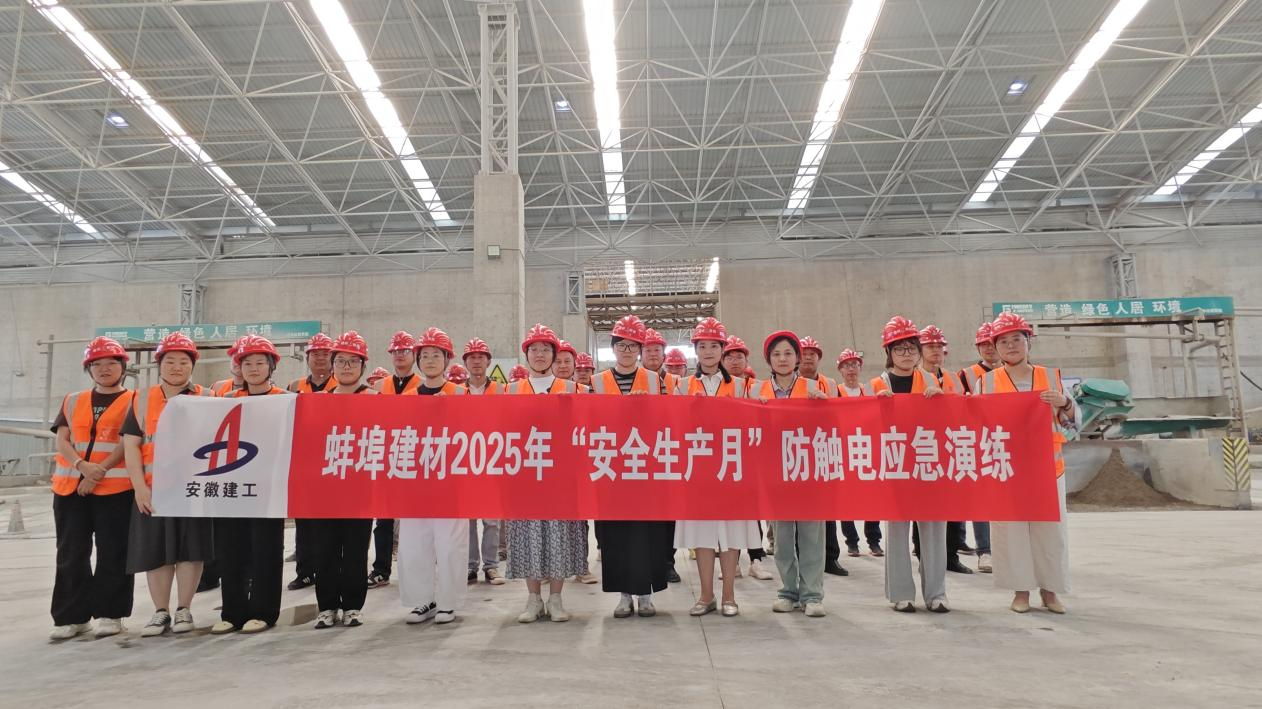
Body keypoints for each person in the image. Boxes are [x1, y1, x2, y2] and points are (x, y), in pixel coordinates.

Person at [979, 312, 1076, 615]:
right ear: (995, 347)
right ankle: (1020, 591)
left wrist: (1065, 403)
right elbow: (975, 422)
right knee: (1011, 531)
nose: (1011, 346)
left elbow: (1073, 420)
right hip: (1007, 468)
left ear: (1028, 342)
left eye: (1016, 339)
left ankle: (1050, 591)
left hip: (1048, 469)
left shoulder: (1051, 377)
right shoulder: (987, 382)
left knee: (1050, 532)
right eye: (1003, 342)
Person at [123, 333, 214, 637]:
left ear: (192, 366)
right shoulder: (141, 399)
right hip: (154, 490)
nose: (177, 367)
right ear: (159, 364)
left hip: (194, 490)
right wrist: (139, 488)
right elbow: (131, 446)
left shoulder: (208, 396)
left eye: (183, 362)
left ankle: (184, 609)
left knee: (191, 551)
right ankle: (160, 611)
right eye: (170, 361)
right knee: (157, 553)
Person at [48, 336, 137, 640]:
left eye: (111, 363)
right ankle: (71, 617)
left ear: (123, 367)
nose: (104, 369)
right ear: (89, 369)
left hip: (115, 490)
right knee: (71, 552)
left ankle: (111, 614)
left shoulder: (134, 400)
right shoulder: (73, 400)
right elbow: (62, 439)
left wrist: (98, 471)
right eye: (97, 364)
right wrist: (81, 466)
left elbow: (128, 442)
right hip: (69, 489)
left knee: (114, 551)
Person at [673, 318, 758, 617]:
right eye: (702, 346)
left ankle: (729, 596)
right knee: (703, 535)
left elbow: (754, 425)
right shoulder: (682, 385)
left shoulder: (742, 386)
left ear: (723, 350)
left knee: (732, 534)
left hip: (732, 469)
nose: (708, 351)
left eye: (714, 346)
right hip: (698, 469)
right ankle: (706, 595)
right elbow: (672, 426)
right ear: (695, 350)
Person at [592, 315, 674, 618]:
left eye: (632, 346)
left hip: (645, 467)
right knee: (616, 533)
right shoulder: (597, 382)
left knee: (646, 532)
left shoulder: (654, 381)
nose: (627, 351)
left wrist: (646, 409)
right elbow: (590, 421)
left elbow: (666, 420)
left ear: (640, 350)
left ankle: (646, 594)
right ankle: (624, 595)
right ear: (613, 348)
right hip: (611, 468)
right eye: (621, 345)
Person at [506, 324, 589, 623]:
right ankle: (533, 599)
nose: (539, 355)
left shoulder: (574, 389)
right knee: (527, 536)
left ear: (554, 355)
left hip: (561, 478)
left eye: (545, 350)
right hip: (525, 476)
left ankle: (555, 598)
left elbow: (589, 427)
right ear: (526, 354)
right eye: (534, 350)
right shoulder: (510, 390)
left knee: (559, 536)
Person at [872, 317, 951, 613]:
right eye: (899, 348)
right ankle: (901, 593)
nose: (906, 354)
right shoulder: (877, 385)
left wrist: (943, 401)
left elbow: (954, 423)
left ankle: (937, 593)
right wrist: (876, 407)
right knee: (896, 532)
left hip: (928, 465)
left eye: (911, 348)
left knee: (934, 531)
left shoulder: (934, 381)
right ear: (889, 352)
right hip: (895, 466)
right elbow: (861, 428)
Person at [213, 335, 289, 634]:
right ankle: (232, 612)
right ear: (239, 368)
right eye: (248, 363)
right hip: (233, 487)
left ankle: (263, 611)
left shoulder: (286, 399)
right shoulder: (227, 400)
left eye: (260, 363)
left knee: (266, 550)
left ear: (271, 367)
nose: (254, 369)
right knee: (231, 550)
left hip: (269, 487)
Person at [756, 330, 830, 617]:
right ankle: (788, 591)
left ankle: (812, 595)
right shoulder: (758, 391)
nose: (783, 359)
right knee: (783, 539)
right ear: (769, 360)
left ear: (798, 358)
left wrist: (823, 405)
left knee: (812, 536)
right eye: (776, 354)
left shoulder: (814, 387)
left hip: (807, 471)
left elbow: (831, 427)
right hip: (775, 474)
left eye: (788, 353)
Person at [399, 328, 469, 626]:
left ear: (447, 360)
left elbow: (473, 432)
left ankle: (448, 602)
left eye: (436, 355)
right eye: (424, 355)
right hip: (416, 482)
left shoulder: (461, 394)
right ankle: (422, 600)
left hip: (451, 482)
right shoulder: (407, 398)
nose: (429, 360)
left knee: (450, 544)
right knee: (414, 543)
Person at [311, 331, 377, 629]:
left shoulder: (376, 400)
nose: (346, 367)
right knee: (324, 549)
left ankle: (352, 606)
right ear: (332, 365)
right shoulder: (316, 402)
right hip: (324, 488)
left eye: (353, 361)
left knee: (355, 550)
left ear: (362, 365)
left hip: (360, 488)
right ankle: (326, 606)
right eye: (341, 361)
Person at [917, 325, 974, 576]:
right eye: (930, 346)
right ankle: (923, 555)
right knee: (922, 509)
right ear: (920, 350)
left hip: (951, 449)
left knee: (953, 508)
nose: (936, 350)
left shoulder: (953, 378)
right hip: (923, 450)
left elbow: (963, 410)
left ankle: (951, 556)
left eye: (939, 346)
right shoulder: (914, 377)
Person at [286, 332, 337, 592]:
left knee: (330, 522)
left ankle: (331, 570)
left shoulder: (342, 385)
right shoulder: (294, 386)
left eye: (325, 354)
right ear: (307, 358)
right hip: (303, 463)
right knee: (304, 522)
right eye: (315, 354)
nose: (320, 358)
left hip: (332, 460)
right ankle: (305, 572)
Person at [719, 335, 773, 579]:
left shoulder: (759, 387)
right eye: (729, 357)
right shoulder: (718, 385)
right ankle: (733, 563)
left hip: (752, 455)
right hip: (726, 457)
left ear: (746, 360)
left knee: (752, 513)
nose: (734, 361)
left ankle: (756, 559)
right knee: (729, 512)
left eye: (739, 356)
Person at [460, 338, 505, 586]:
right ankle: (470, 566)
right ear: (465, 362)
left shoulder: (502, 390)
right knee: (467, 520)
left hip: (492, 461)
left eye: (481, 357)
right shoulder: (456, 392)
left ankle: (491, 566)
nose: (476, 361)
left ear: (488, 362)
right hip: (464, 461)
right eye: (472, 358)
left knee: (491, 520)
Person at [833, 348, 883, 558]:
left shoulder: (869, 390)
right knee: (847, 497)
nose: (851, 369)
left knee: (872, 497)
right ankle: (852, 542)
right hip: (843, 450)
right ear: (840, 369)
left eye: (854, 365)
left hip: (866, 448)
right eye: (846, 365)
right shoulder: (835, 391)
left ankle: (874, 541)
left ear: (860, 368)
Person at [957, 322, 999, 573]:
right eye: (984, 344)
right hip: (978, 443)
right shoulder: (966, 375)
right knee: (982, 499)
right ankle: (985, 551)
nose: (989, 348)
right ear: (978, 348)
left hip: (1007, 442)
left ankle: (1007, 550)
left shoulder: (1014, 371)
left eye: (992, 343)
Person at [642, 328, 679, 396]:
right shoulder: (632, 381)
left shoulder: (677, 381)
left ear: (664, 356)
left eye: (657, 350)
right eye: (648, 350)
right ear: (640, 356)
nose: (653, 354)